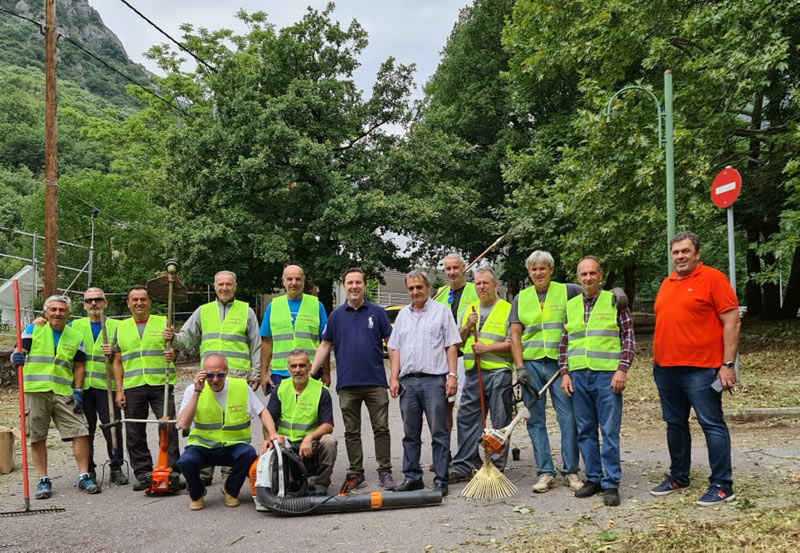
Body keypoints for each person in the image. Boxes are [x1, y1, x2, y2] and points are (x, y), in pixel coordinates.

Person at [650, 231, 740, 506]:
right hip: (666, 368)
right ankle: (679, 476)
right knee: (674, 424)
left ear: (697, 253)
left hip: (701, 370)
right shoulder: (667, 282)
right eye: (676, 252)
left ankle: (723, 485)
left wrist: (727, 365)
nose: (680, 256)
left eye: (685, 251)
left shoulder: (713, 279)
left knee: (711, 424)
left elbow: (732, 322)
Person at [163, 269, 261, 486]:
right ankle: (203, 472)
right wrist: (173, 337)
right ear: (214, 286)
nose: (224, 288)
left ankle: (229, 473)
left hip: (236, 377)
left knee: (234, 426)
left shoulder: (247, 311)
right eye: (220, 284)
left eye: (228, 284)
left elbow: (256, 344)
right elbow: (186, 339)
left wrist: (255, 373)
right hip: (209, 378)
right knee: (206, 422)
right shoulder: (203, 311)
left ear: (235, 286)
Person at [558, 256, 634, 507]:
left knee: (609, 431)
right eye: (583, 274)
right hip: (578, 375)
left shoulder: (614, 301)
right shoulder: (571, 305)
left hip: (607, 375)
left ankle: (611, 483)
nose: (588, 278)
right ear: (578, 278)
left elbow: (628, 339)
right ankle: (594, 478)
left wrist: (622, 370)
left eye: (592, 273)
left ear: (600, 275)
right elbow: (564, 343)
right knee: (586, 431)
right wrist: (565, 373)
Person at [310, 267, 394, 490]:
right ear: (345, 286)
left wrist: (395, 374)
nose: (354, 286)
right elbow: (325, 345)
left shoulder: (377, 312)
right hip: (347, 384)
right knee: (351, 431)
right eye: (350, 283)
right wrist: (311, 373)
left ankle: (385, 470)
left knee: (381, 428)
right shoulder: (336, 315)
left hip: (375, 382)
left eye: (358, 282)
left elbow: (392, 344)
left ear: (364, 285)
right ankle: (356, 471)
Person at [10, 294, 100, 497]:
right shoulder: (34, 329)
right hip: (35, 390)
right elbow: (18, 351)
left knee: (80, 430)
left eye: (62, 310)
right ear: (46, 312)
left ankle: (84, 476)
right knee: (37, 435)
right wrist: (15, 357)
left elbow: (79, 365)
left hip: (63, 391)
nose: (57, 313)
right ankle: (43, 480)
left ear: (68, 313)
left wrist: (78, 390)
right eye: (53, 309)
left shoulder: (75, 336)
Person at [509, 250, 583, 493]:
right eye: (534, 269)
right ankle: (545, 472)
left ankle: (571, 471)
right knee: (535, 420)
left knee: (568, 418)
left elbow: (595, 297)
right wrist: (519, 367)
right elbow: (515, 335)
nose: (538, 273)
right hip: (531, 366)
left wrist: (616, 293)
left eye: (542, 268)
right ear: (529, 272)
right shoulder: (521, 298)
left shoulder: (569, 290)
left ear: (551, 270)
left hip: (560, 366)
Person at [388, 269, 461, 497]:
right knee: (410, 434)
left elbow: (451, 345)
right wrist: (393, 376)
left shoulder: (442, 312)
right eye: (411, 288)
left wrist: (452, 375)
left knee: (439, 432)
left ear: (428, 287)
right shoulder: (402, 315)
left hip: (434, 382)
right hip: (408, 383)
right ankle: (412, 478)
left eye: (419, 287)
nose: (415, 292)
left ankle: (441, 479)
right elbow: (394, 347)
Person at [176, 354, 276, 510]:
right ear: (202, 373)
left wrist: (272, 434)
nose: (215, 379)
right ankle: (198, 493)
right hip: (203, 447)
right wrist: (197, 392)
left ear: (227, 372)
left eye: (220, 375)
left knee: (248, 454)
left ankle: (230, 490)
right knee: (184, 462)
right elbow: (183, 423)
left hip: (233, 446)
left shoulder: (241, 387)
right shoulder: (192, 390)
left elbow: (263, 412)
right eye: (209, 375)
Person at [112, 285, 181, 491]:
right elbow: (117, 361)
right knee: (134, 431)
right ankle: (143, 473)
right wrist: (119, 390)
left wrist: (173, 355)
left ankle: (171, 471)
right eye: (135, 300)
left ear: (149, 301)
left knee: (168, 427)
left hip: (162, 384)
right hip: (133, 386)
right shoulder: (121, 328)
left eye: (143, 299)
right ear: (128, 303)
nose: (139, 303)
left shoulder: (163, 322)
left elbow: (175, 350)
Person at [450, 267, 513, 482]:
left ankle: (495, 465)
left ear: (496, 285)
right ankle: (464, 464)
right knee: (466, 417)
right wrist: (467, 325)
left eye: (486, 283)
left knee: (498, 420)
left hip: (498, 372)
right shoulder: (470, 308)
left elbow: (514, 344)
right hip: (473, 373)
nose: (482, 287)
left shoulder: (507, 309)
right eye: (478, 283)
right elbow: (457, 341)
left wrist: (487, 348)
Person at [71, 287, 127, 485]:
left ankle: (116, 466)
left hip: (107, 387)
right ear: (84, 305)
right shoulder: (74, 326)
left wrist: (113, 351)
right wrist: (38, 321)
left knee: (112, 428)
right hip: (82, 388)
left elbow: (126, 354)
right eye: (89, 301)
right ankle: (89, 469)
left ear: (105, 303)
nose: (93, 303)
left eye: (97, 300)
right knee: (86, 430)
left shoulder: (118, 327)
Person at [268, 350, 337, 495]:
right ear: (288, 368)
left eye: (302, 366)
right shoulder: (280, 389)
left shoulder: (321, 391)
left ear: (310, 367)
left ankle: (320, 484)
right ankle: (289, 482)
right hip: (286, 445)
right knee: (282, 486)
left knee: (329, 441)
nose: (298, 370)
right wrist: (270, 438)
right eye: (293, 366)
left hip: (311, 446)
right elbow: (268, 419)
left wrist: (309, 437)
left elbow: (328, 425)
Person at [260, 265, 329, 393]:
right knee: (279, 411)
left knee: (309, 410)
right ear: (283, 281)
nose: (294, 283)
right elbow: (267, 342)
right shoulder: (273, 307)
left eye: (298, 279)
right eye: (290, 279)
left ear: (303, 280)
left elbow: (324, 342)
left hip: (310, 371)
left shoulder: (317, 306)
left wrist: (327, 372)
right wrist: (263, 373)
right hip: (280, 372)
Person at [434, 253, 479, 426]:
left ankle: (469, 450)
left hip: (465, 356)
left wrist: (466, 328)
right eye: (448, 268)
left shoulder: (475, 291)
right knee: (445, 407)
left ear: (464, 268)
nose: (452, 272)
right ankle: (445, 451)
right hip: (443, 357)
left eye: (455, 268)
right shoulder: (440, 293)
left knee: (468, 407)